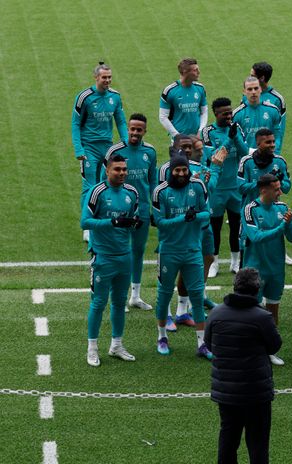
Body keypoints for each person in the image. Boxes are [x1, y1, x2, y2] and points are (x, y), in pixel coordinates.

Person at [205, 268, 281, 464]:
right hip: (256, 392)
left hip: (226, 391)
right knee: (258, 443)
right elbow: (275, 346)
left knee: (228, 439)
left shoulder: (216, 313)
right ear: (256, 290)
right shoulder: (262, 317)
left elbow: (208, 343)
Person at [80, 154, 140, 366]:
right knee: (98, 303)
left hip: (124, 256)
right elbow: (85, 222)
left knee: (118, 302)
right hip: (103, 257)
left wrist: (134, 223)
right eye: (117, 169)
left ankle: (116, 345)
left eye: (124, 169)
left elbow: (133, 219)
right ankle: (92, 348)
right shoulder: (96, 192)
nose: (122, 173)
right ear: (107, 171)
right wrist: (112, 222)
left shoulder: (132, 193)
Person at [152, 155, 212, 359]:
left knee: (196, 294)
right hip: (168, 251)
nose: (180, 174)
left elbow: (206, 213)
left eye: (183, 170)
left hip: (193, 250)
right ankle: (161, 337)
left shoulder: (198, 186)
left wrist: (195, 216)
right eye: (177, 170)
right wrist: (182, 218)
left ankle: (202, 343)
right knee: (164, 294)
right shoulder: (160, 191)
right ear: (170, 171)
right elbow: (159, 222)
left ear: (187, 170)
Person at [103, 113, 157, 311]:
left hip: (141, 210)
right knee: (118, 252)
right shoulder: (115, 151)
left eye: (139, 129)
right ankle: (117, 295)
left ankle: (135, 296)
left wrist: (155, 206)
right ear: (127, 128)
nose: (135, 132)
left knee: (138, 251)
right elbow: (103, 181)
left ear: (144, 131)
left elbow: (153, 181)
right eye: (132, 129)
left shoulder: (150, 152)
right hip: (118, 211)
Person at [240, 174, 292, 365]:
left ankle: (269, 349)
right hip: (256, 269)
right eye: (277, 189)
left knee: (273, 309)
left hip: (276, 267)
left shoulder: (282, 208)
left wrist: (288, 225)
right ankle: (250, 349)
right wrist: (282, 226)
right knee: (251, 310)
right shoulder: (250, 209)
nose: (280, 192)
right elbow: (255, 237)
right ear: (264, 190)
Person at [72, 62, 127, 242]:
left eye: (109, 77)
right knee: (89, 185)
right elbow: (75, 124)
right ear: (96, 77)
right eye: (104, 77)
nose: (107, 80)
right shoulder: (84, 97)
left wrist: (125, 141)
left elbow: (120, 120)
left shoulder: (115, 97)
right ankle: (87, 226)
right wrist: (79, 148)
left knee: (105, 183)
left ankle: (102, 220)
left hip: (107, 147)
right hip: (89, 148)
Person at [202, 97, 249, 275]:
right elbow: (214, 156)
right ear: (216, 114)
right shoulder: (208, 132)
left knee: (236, 224)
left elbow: (245, 154)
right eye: (225, 113)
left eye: (230, 112)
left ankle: (235, 261)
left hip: (235, 187)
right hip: (217, 188)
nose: (229, 116)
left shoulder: (237, 129)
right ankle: (214, 263)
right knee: (215, 225)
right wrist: (229, 140)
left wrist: (235, 137)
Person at [237, 128, 291, 208]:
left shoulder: (280, 161)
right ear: (258, 143)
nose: (272, 145)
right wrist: (262, 183)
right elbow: (241, 188)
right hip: (250, 210)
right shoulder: (246, 161)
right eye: (268, 142)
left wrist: (280, 182)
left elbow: (287, 188)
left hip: (272, 210)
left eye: (273, 141)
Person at [159, 57, 208, 138]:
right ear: (185, 72)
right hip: (178, 141)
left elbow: (204, 112)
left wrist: (200, 131)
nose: (199, 72)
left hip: (197, 138)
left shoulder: (200, 89)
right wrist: (177, 136)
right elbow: (163, 117)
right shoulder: (170, 91)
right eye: (195, 70)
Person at [247, 61, 287, 154]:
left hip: (268, 151)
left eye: (252, 76)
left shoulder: (277, 99)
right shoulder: (247, 95)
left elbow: (280, 130)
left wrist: (275, 152)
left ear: (262, 78)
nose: (249, 79)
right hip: (249, 150)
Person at [233, 77, 283, 150]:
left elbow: (277, 134)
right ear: (244, 92)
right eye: (250, 89)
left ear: (260, 89)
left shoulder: (273, 110)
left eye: (256, 88)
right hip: (247, 158)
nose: (253, 92)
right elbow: (236, 139)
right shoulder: (237, 114)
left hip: (268, 155)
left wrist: (275, 151)